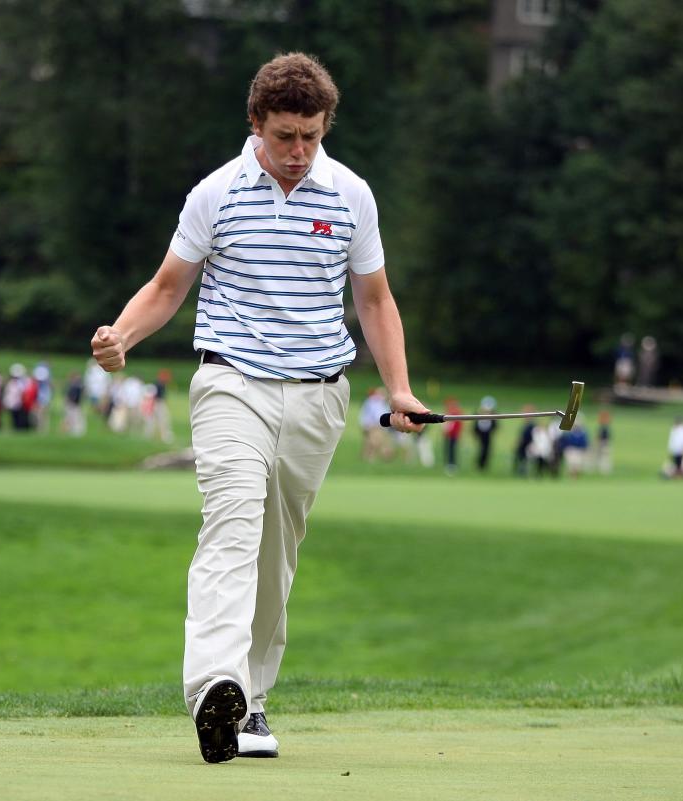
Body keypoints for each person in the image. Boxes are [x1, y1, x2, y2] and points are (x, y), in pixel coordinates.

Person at [90, 52, 427, 764]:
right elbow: (167, 286)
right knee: (232, 527)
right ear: (256, 125)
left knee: (276, 553)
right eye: (284, 136)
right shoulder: (216, 193)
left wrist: (397, 388)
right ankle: (217, 686)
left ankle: (252, 702)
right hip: (231, 384)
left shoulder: (350, 196)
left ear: (324, 125)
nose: (298, 151)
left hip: (319, 395)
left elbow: (374, 300)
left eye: (310, 135)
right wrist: (121, 334)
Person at [472, 395, 498, 471]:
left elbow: (495, 426)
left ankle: (484, 465)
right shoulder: (478, 413)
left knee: (487, 450)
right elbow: (475, 426)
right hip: (480, 434)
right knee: (481, 449)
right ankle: (480, 464)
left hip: (488, 435)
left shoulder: (493, 415)